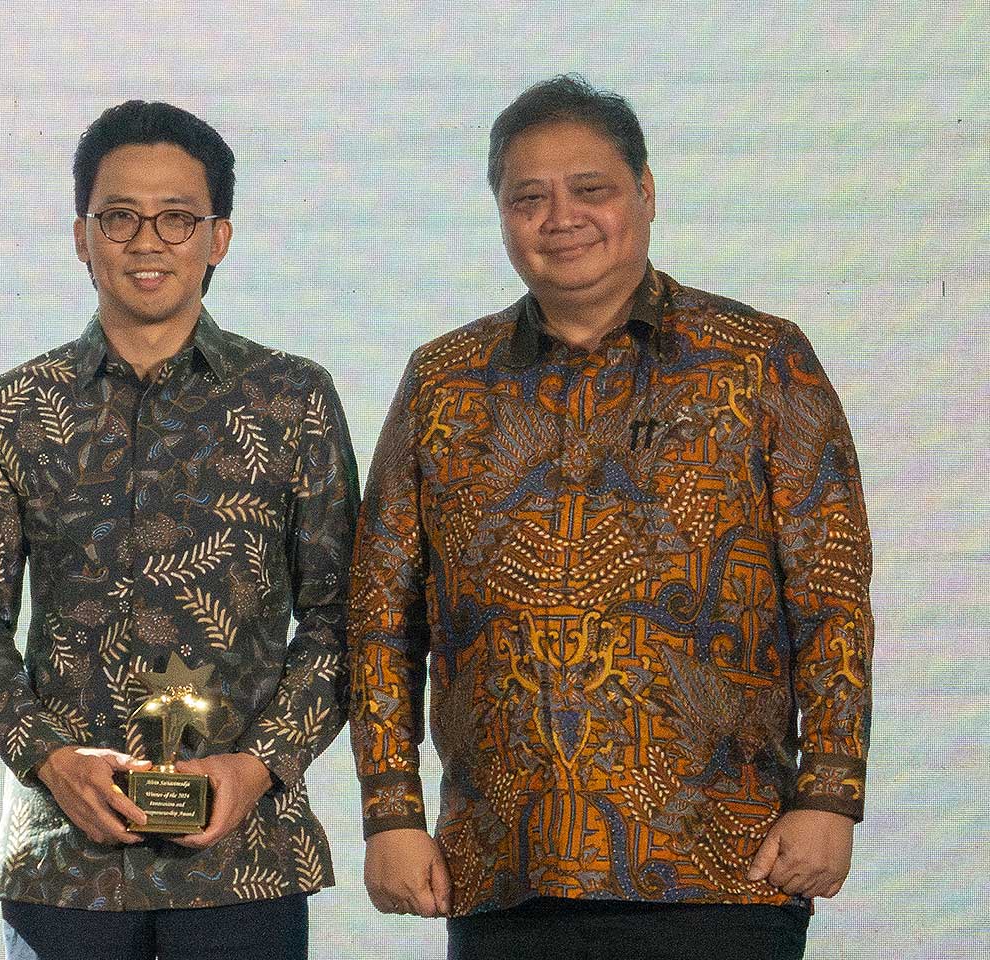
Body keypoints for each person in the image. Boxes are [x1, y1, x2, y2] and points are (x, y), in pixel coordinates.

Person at [351, 75, 874, 960]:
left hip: (726, 868)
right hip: (503, 868)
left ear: (646, 193)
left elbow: (832, 595)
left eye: (590, 189)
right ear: (503, 216)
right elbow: (378, 613)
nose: (562, 217)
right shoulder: (443, 381)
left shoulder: (760, 362)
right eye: (529, 198)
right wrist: (390, 812)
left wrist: (829, 794)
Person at [0, 101, 357, 960]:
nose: (147, 241)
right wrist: (51, 760)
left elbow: (341, 619)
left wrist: (255, 769)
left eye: (177, 218)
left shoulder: (294, 401)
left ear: (219, 238)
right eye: (120, 217)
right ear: (81, 235)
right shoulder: (15, 409)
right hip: (65, 864)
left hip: (245, 861)